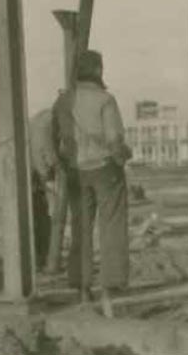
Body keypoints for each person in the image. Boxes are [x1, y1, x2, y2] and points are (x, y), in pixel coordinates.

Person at [51, 50, 132, 317]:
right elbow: (114, 140)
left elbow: (53, 137)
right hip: (105, 169)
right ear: (97, 70)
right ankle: (110, 291)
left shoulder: (63, 101)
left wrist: (64, 163)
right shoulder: (105, 100)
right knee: (112, 228)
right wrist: (124, 155)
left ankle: (83, 291)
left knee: (81, 230)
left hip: (76, 171)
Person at [28, 107, 57, 273]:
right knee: (43, 218)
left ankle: (40, 258)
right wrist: (49, 176)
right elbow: (43, 151)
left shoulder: (41, 119)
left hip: (33, 177)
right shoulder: (47, 122)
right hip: (36, 179)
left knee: (38, 218)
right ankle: (44, 258)